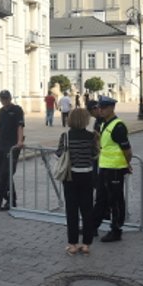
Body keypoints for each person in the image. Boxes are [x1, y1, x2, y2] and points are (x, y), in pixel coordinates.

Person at [56, 108, 99, 255]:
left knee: (71, 210)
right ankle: (86, 244)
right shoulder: (92, 136)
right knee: (87, 210)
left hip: (70, 176)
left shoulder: (66, 136)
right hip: (87, 175)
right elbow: (95, 154)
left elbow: (59, 153)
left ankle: (72, 244)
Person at [91, 96, 134, 242]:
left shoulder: (118, 126)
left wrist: (126, 164)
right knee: (101, 199)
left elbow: (127, 150)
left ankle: (116, 230)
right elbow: (103, 144)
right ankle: (92, 227)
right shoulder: (105, 124)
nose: (100, 110)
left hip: (115, 168)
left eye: (103, 108)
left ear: (111, 108)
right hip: (105, 167)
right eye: (99, 108)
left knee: (115, 200)